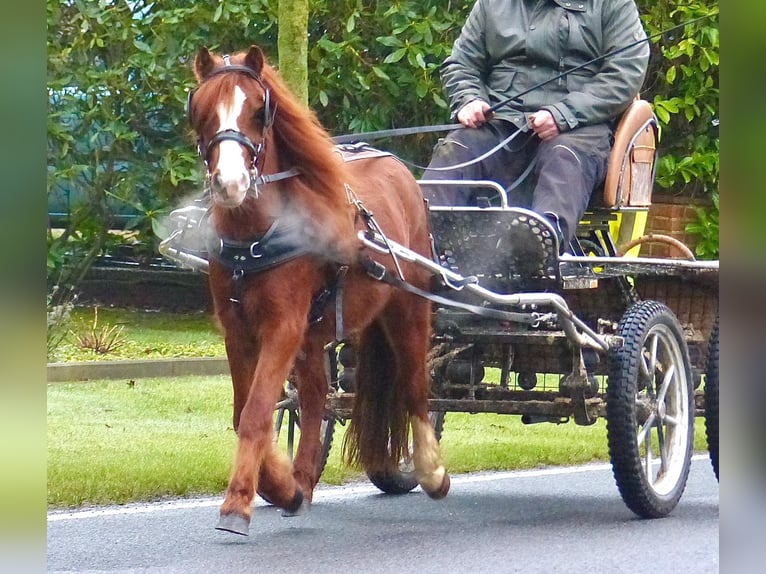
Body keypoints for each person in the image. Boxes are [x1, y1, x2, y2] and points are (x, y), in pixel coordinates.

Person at [423, 0, 650, 254]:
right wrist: (469, 98)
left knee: (563, 157)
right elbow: (461, 64)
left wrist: (564, 114)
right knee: (456, 149)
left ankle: (535, 250)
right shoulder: (492, 4)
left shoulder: (612, 4)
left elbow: (625, 72)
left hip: (578, 130)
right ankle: (421, 247)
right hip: (500, 123)